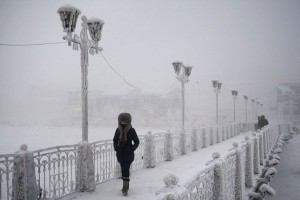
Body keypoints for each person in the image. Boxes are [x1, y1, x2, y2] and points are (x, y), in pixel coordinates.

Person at [113, 113, 139, 196]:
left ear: (128, 121)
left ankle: (124, 188)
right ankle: (127, 185)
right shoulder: (118, 130)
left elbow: (137, 141)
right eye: (122, 121)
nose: (123, 123)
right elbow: (114, 140)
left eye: (125, 121)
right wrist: (116, 149)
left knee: (125, 169)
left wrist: (132, 148)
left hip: (128, 155)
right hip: (120, 155)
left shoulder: (132, 130)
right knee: (123, 170)